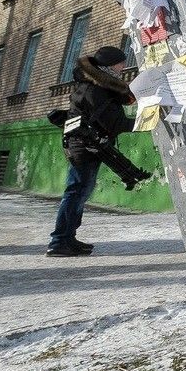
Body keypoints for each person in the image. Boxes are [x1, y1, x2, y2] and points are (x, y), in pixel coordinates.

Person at [47, 46, 136, 257]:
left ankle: (68, 238)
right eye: (121, 63)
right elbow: (113, 122)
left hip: (84, 145)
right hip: (84, 146)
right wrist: (145, 122)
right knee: (76, 192)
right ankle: (59, 241)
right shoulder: (95, 89)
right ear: (110, 65)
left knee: (80, 192)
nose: (123, 68)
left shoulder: (92, 85)